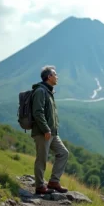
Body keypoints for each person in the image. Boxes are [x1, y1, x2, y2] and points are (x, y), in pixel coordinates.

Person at [31, 65, 69, 194]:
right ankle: (40, 186)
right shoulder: (40, 91)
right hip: (43, 132)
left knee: (63, 153)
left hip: (52, 133)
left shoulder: (48, 91)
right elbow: (38, 112)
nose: (57, 77)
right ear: (49, 77)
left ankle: (53, 182)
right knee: (42, 159)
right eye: (55, 74)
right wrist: (46, 129)